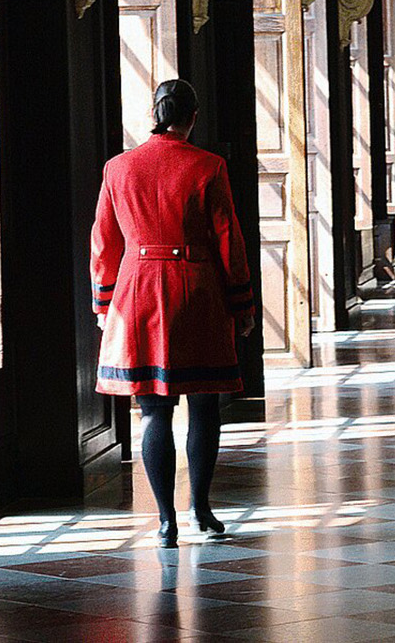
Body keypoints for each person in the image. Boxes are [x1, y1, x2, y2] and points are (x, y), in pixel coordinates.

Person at [91, 80, 256, 545]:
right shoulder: (209, 166)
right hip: (197, 292)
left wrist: (105, 304)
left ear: (153, 111)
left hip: (137, 291)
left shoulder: (118, 168)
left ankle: (165, 522)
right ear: (193, 117)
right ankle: (200, 511)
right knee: (204, 405)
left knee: (153, 410)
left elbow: (104, 243)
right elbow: (229, 242)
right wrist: (242, 304)